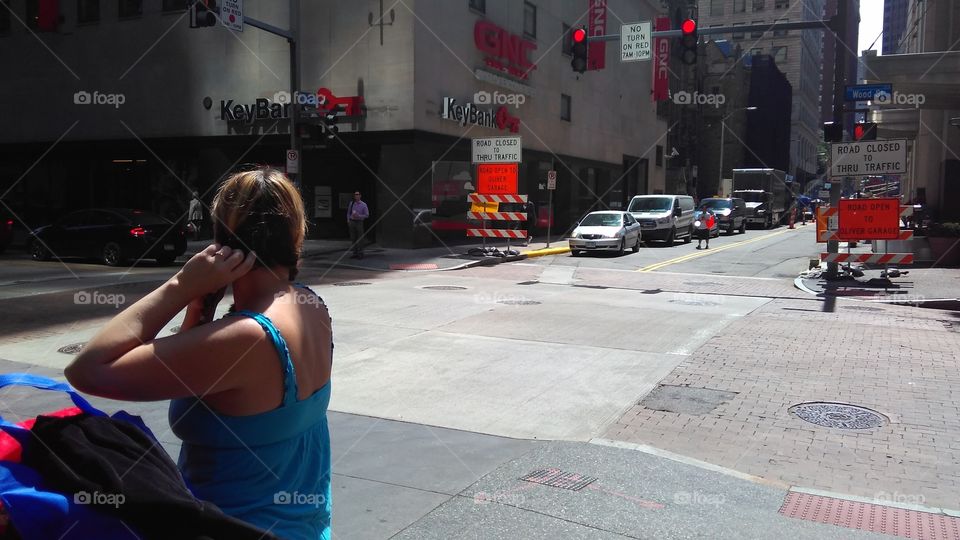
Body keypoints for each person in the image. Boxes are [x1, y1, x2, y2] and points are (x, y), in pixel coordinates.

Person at [65, 168, 333, 540]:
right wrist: (199, 310)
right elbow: (202, 387)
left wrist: (180, 285)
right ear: (296, 235)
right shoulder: (312, 307)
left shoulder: (244, 339)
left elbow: (87, 368)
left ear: (221, 242)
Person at [347, 190, 369, 258]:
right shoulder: (352, 203)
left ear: (360, 195)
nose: (356, 196)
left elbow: (367, 215)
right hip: (352, 222)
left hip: (359, 222)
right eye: (355, 195)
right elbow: (348, 212)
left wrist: (359, 216)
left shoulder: (363, 204)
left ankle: (360, 253)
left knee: (360, 238)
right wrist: (348, 220)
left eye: (357, 194)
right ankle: (355, 253)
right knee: (353, 238)